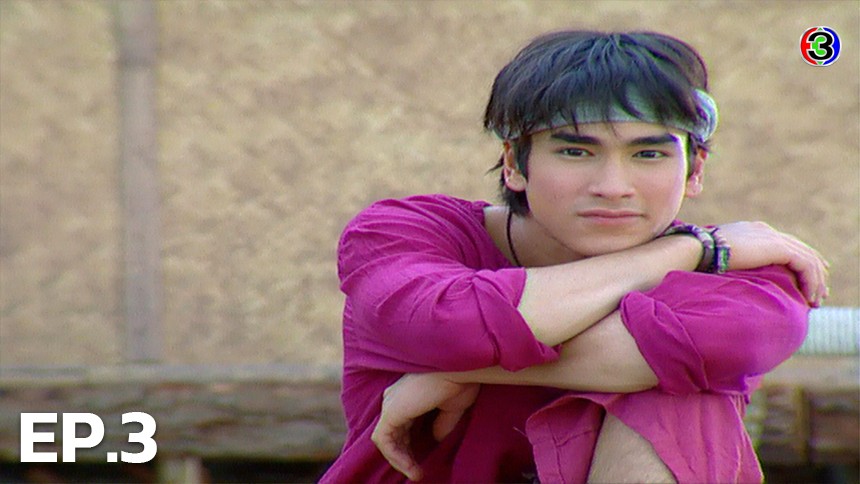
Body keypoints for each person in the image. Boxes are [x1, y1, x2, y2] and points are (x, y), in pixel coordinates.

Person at [319, 30, 829, 483]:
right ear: (514, 164)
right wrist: (687, 248)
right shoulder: (403, 235)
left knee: (683, 396)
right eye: (575, 151)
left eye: (648, 154)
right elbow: (454, 325)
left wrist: (461, 371)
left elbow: (729, 342)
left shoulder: (746, 273)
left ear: (695, 171)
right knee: (674, 374)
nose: (613, 187)